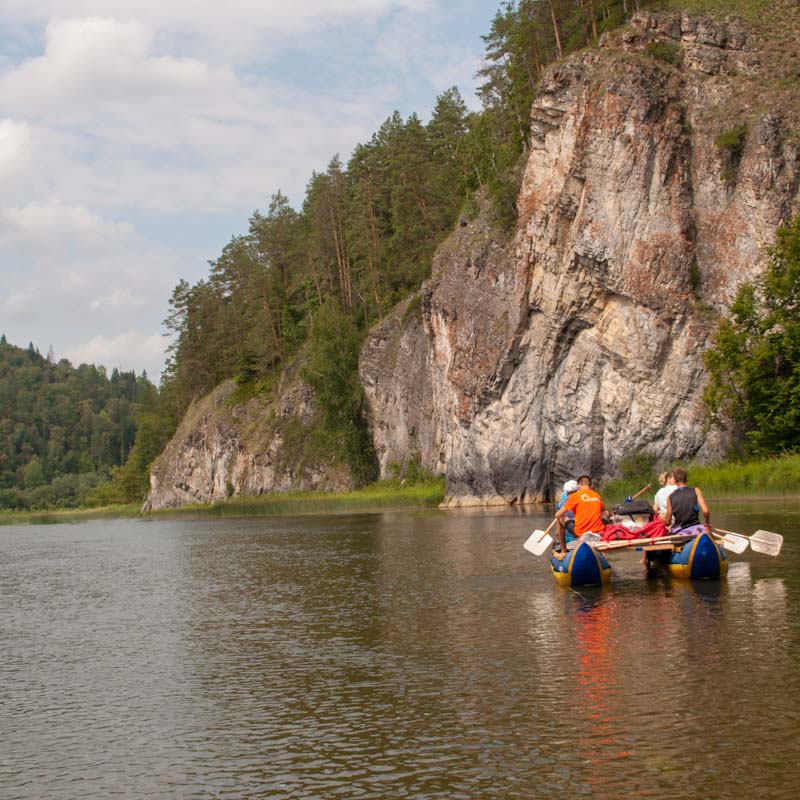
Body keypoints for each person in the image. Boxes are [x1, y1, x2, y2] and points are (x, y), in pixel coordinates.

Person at [554, 475, 606, 557]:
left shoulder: (574, 497)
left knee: (560, 518)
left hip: (581, 533)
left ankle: (563, 550)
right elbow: (605, 512)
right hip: (598, 532)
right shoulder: (597, 496)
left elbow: (557, 514)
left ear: (579, 485)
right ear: (591, 485)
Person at [660, 467, 711, 534]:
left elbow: (668, 522)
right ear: (687, 479)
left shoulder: (670, 497)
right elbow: (706, 511)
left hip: (679, 531)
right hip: (697, 529)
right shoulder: (696, 490)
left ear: (675, 481)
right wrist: (707, 523)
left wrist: (660, 517)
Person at [554, 479, 579, 550]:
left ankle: (563, 549)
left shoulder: (560, 503)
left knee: (560, 518)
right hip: (580, 534)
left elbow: (558, 520)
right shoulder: (581, 499)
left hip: (567, 537)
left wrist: (557, 533)